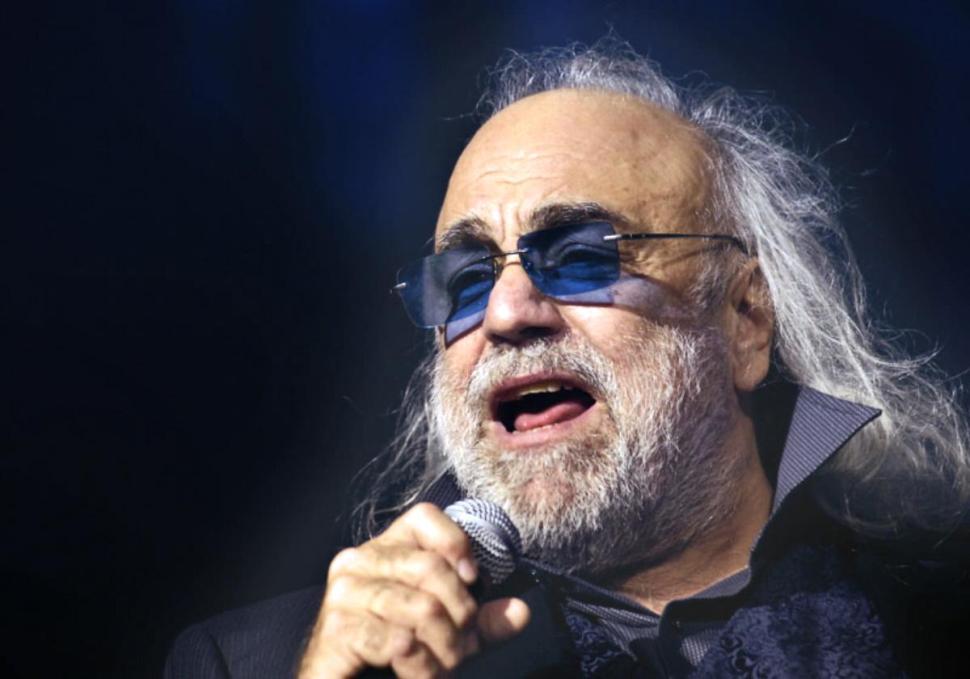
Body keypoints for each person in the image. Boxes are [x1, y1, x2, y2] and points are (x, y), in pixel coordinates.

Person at [166, 40, 970, 678]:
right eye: (466, 278)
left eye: (583, 256)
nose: (507, 313)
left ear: (745, 319)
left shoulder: (941, 606)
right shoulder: (257, 663)